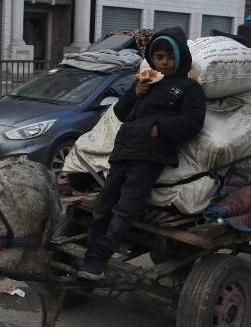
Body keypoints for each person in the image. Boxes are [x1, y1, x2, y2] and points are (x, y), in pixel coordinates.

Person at [77, 27, 207, 281]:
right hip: (123, 151)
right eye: (159, 57)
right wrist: (134, 93)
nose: (164, 62)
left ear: (181, 57)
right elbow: (121, 114)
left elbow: (193, 122)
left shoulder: (189, 88)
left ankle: (99, 258)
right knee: (103, 206)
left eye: (170, 57)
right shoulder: (145, 82)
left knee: (125, 208)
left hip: (150, 154)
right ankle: (91, 255)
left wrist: (159, 128)